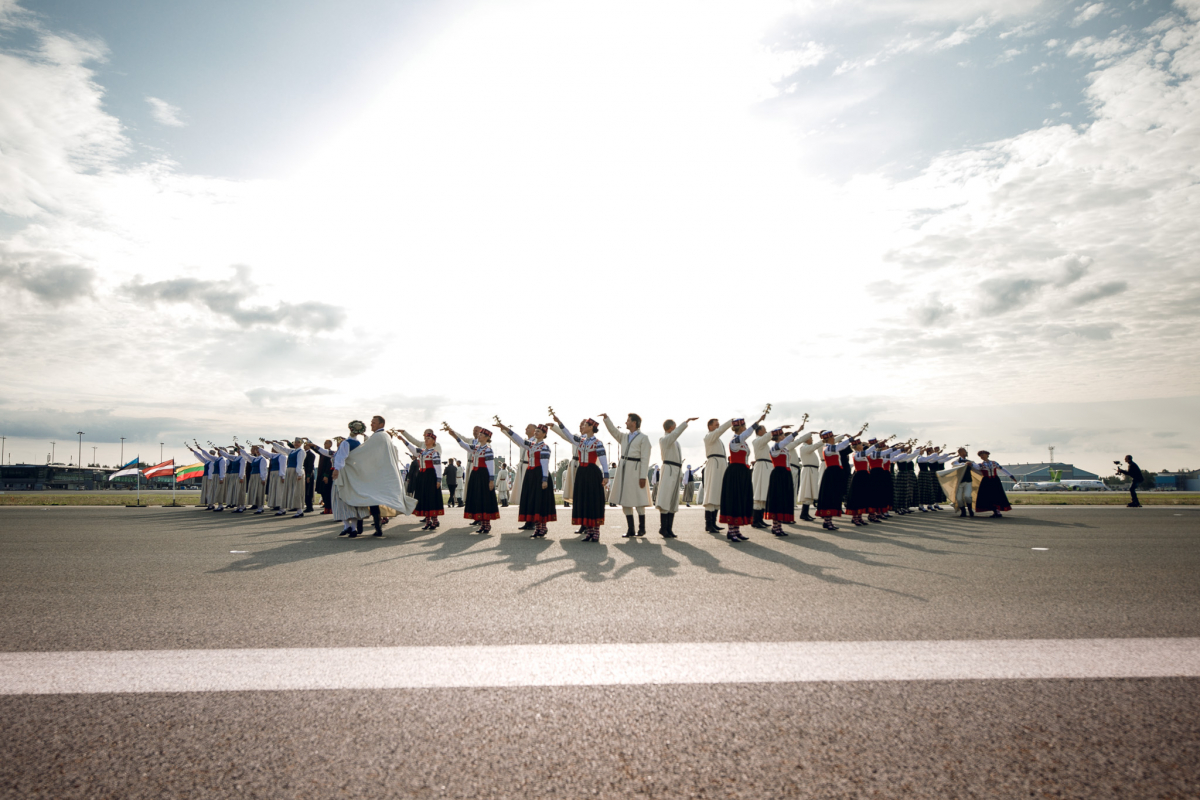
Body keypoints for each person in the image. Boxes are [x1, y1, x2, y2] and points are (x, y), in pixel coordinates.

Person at [550, 411, 609, 542]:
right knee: (584, 500)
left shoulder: (598, 443)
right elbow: (568, 435)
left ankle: (596, 531)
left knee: (593, 501)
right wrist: (559, 422)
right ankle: (589, 530)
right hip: (582, 473)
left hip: (592, 473)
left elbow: (604, 460)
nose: (583, 427)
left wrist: (606, 476)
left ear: (591, 427)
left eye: (586, 425)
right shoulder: (581, 441)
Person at [719, 411, 769, 542]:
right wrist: (757, 422)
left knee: (741, 499)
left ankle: (736, 530)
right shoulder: (735, 440)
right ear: (740, 428)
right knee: (734, 500)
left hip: (743, 472)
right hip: (735, 472)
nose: (746, 429)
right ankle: (731, 531)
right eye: (744, 426)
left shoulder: (743, 442)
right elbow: (747, 434)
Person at [500, 422, 556, 538]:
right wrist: (505, 428)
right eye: (535, 431)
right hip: (530, 474)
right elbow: (519, 440)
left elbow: (545, 464)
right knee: (532, 500)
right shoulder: (531, 445)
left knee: (540, 501)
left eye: (538, 431)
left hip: (539, 474)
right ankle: (538, 527)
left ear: (544, 434)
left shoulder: (544, 447)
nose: (536, 432)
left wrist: (544, 479)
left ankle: (542, 527)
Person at [603, 412, 654, 538]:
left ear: (634, 423)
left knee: (639, 499)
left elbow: (645, 458)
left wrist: (643, 476)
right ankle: (631, 529)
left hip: (636, 471)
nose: (626, 422)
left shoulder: (643, 438)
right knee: (625, 499)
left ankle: (642, 528)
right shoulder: (624, 437)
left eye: (628, 420)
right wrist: (606, 419)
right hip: (624, 471)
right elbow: (614, 431)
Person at [446, 424, 500, 534]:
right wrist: (454, 436)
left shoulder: (488, 449)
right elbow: (464, 445)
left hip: (483, 475)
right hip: (475, 475)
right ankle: (482, 522)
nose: (479, 436)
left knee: (484, 498)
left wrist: (491, 480)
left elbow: (490, 465)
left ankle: (487, 524)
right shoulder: (476, 448)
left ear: (486, 437)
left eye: (481, 434)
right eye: (479, 434)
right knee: (478, 497)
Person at [655, 417, 697, 538]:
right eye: (675, 426)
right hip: (668, 469)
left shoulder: (674, 442)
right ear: (671, 427)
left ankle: (669, 528)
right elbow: (675, 434)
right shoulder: (664, 439)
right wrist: (686, 423)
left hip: (676, 469)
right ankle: (663, 528)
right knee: (666, 498)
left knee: (673, 500)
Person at [394, 429, 444, 530]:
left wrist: (438, 479)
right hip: (422, 476)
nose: (426, 440)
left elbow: (438, 467)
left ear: (433, 441)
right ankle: (427, 521)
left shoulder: (435, 453)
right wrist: (403, 439)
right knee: (424, 497)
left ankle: (434, 520)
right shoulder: (421, 452)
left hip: (431, 476)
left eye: (428, 438)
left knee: (431, 497)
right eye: (425, 438)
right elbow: (411, 448)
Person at [815, 429, 856, 530]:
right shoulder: (827, 448)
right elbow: (840, 446)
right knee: (830, 496)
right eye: (832, 437)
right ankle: (827, 521)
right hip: (831, 473)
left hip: (835, 472)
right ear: (828, 438)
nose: (834, 438)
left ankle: (828, 521)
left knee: (834, 495)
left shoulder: (832, 448)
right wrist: (851, 438)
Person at [764, 428, 801, 536]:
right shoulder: (776, 447)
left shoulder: (784, 448)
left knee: (783, 499)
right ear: (779, 437)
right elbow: (785, 442)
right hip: (778, 474)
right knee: (778, 499)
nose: (784, 437)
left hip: (785, 474)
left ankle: (778, 526)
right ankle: (775, 526)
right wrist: (796, 432)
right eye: (782, 435)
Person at [701, 418, 730, 533]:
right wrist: (729, 423)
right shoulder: (709, 437)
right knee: (711, 493)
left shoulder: (717, 439)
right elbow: (720, 431)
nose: (718, 426)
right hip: (714, 465)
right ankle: (708, 524)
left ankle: (713, 523)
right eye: (716, 425)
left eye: (718, 424)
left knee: (718, 493)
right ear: (710, 427)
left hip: (720, 465)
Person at [972, 450, 1016, 518]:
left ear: (987, 455)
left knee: (997, 495)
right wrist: (968, 464)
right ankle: (995, 510)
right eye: (980, 455)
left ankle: (997, 511)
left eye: (983, 454)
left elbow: (1002, 469)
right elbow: (973, 467)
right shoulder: (980, 465)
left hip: (995, 481)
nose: (982, 456)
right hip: (986, 482)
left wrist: (1011, 476)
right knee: (988, 497)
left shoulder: (994, 463)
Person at [749, 423, 774, 529]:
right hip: (762, 467)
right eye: (765, 430)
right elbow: (768, 437)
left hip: (766, 466)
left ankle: (760, 519)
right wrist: (777, 430)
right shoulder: (757, 441)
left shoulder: (762, 442)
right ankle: (755, 520)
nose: (766, 431)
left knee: (763, 494)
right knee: (759, 494)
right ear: (759, 432)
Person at [796, 432, 821, 522]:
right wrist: (823, 441)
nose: (812, 440)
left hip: (812, 470)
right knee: (807, 491)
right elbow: (814, 446)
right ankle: (804, 513)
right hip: (808, 470)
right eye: (810, 438)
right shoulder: (804, 447)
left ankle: (805, 513)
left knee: (810, 492)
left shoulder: (807, 448)